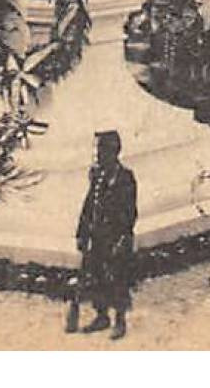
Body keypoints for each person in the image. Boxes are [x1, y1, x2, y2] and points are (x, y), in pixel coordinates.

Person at [72, 130, 137, 341]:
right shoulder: (97, 174)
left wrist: (122, 238)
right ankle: (101, 316)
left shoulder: (125, 177)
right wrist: (82, 233)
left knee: (117, 277)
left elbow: (129, 212)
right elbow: (88, 204)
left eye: (102, 150)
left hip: (117, 236)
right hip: (97, 235)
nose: (98, 154)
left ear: (114, 152)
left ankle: (120, 320)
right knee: (96, 274)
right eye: (97, 149)